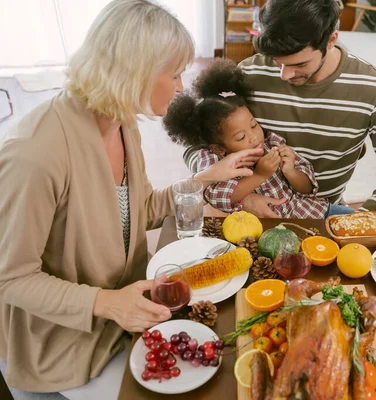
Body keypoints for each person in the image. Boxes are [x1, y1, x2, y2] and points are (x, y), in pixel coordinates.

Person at [0, 1, 262, 398]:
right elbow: (12, 278)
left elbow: (135, 213)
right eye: (174, 73)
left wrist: (204, 179)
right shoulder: (34, 154)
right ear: (136, 70)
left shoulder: (122, 123)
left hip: (133, 308)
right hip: (69, 338)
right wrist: (107, 303)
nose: (180, 87)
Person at [184, 0, 376, 217]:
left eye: (300, 64)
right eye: (276, 62)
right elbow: (197, 144)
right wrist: (244, 199)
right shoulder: (248, 73)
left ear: (331, 40)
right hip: (252, 214)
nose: (284, 75)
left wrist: (361, 220)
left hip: (322, 211)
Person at [165, 58, 355, 219]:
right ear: (219, 148)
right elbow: (218, 196)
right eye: (240, 137)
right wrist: (259, 175)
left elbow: (308, 189)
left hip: (310, 212)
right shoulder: (214, 160)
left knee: (362, 221)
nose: (255, 137)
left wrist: (290, 171)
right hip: (264, 227)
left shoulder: (272, 142)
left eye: (254, 125)